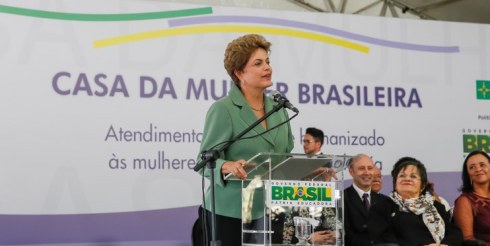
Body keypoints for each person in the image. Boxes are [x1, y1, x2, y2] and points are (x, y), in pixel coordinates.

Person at [194, 34, 294, 245]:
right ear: (239, 73)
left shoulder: (279, 109)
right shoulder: (224, 109)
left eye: (267, 61)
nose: (267, 67)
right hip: (229, 212)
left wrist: (310, 171)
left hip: (271, 210)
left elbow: (284, 159)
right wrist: (227, 165)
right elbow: (203, 162)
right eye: (258, 63)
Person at [369, 157, 463, 246]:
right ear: (395, 184)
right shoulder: (383, 208)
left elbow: (454, 233)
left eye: (413, 176)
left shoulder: (436, 207)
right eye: (402, 175)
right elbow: (385, 239)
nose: (407, 179)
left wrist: (444, 245)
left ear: (422, 186)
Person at [344, 153, 389, 246]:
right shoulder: (341, 198)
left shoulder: (385, 201)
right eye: (361, 168)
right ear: (351, 171)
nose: (367, 172)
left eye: (370, 168)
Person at [453, 150, 490, 244]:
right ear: (468, 174)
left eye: (482, 165)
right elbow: (468, 240)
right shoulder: (464, 201)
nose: (478, 169)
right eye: (472, 167)